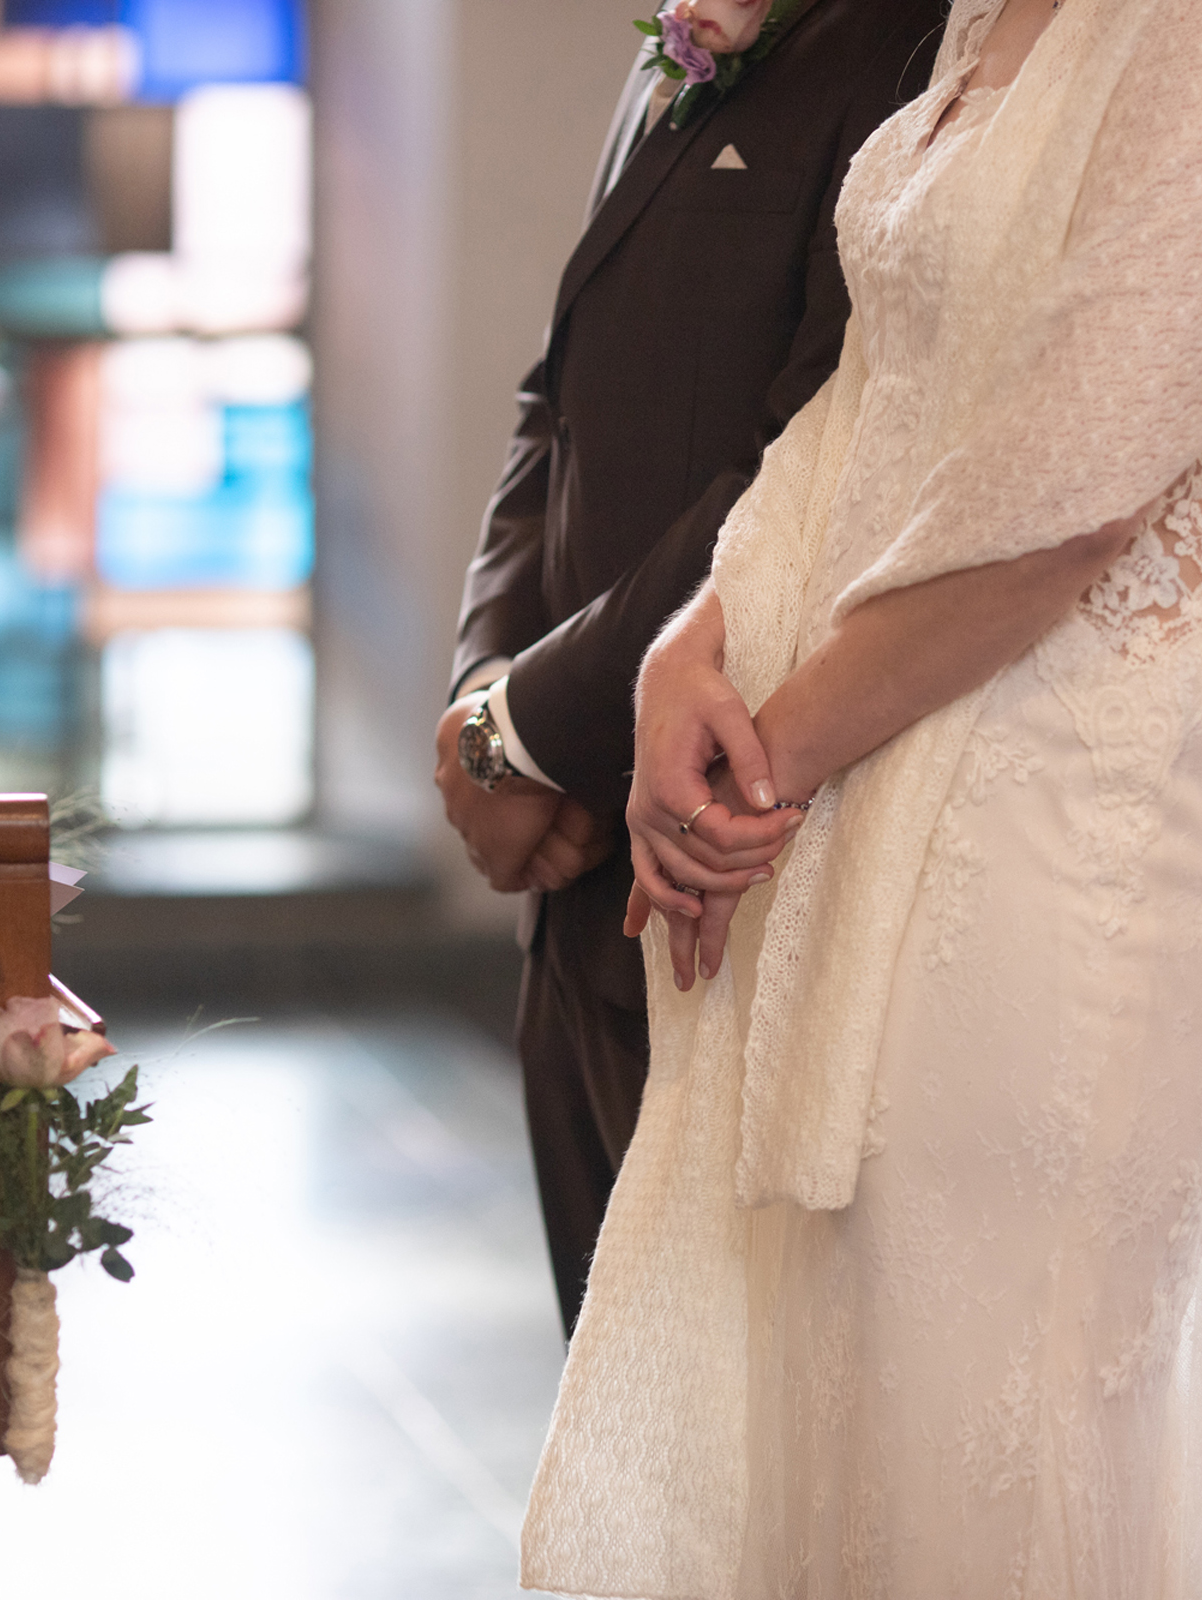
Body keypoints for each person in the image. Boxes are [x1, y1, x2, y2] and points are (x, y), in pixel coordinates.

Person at [520, 0, 1202, 1593]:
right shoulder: (998, 10)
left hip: (1067, 861)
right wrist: (692, 647)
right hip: (870, 804)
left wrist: (762, 761)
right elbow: (878, 397)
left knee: (990, 1472)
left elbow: (1069, 490)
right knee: (849, 1460)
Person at [439, 0, 949, 1338]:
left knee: (725, 1397)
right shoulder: (679, 39)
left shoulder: (919, 42)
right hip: (574, 872)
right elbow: (556, 401)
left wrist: (530, 730)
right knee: (602, 1390)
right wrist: (487, 700)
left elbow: (815, 461)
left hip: (739, 846)